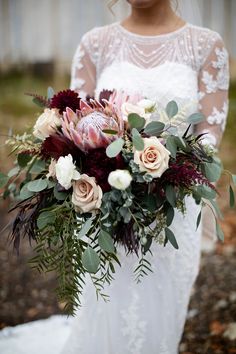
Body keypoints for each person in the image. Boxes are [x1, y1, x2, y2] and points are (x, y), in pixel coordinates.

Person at [61, 0, 230, 353]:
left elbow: (209, 135)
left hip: (173, 207)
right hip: (105, 205)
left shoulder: (205, 45)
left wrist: (163, 171)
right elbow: (75, 128)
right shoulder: (96, 43)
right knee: (103, 304)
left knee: (160, 312)